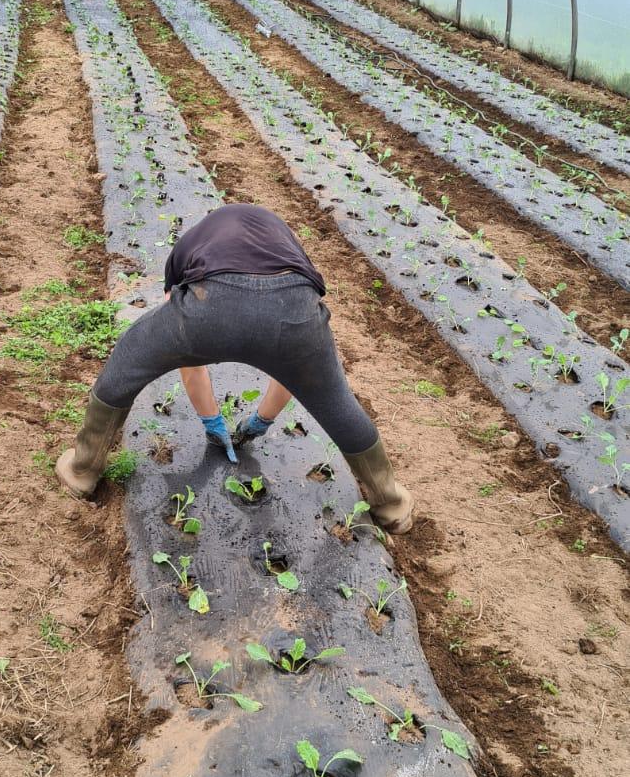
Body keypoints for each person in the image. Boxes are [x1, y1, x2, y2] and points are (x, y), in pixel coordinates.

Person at [55, 203, 412, 533]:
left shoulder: (188, 246)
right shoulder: (288, 245)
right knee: (337, 404)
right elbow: (291, 375)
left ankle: (83, 470)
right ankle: (391, 504)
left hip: (211, 306)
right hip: (294, 316)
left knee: (127, 361)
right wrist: (260, 423)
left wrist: (212, 423)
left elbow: (184, 356)